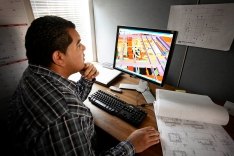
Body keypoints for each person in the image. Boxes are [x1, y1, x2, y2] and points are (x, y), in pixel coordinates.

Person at [7, 15, 160, 156]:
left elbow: (70, 98)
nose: (84, 48)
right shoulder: (67, 117)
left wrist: (87, 79)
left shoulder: (33, 74)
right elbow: (67, 109)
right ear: (59, 57)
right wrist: (131, 145)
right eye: (78, 44)